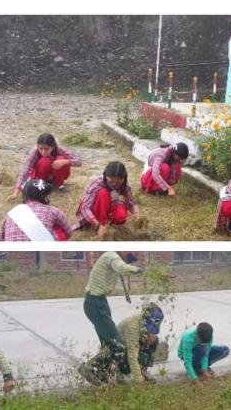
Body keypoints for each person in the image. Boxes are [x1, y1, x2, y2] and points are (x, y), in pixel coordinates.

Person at [81, 252, 145, 383]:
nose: (133, 256)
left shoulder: (114, 257)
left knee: (108, 343)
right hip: (95, 303)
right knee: (118, 345)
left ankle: (106, 373)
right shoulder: (112, 256)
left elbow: (121, 269)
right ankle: (90, 368)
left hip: (100, 302)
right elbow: (122, 268)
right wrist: (138, 270)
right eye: (131, 253)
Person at [7, 133, 82, 201]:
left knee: (61, 159)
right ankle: (41, 184)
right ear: (37, 146)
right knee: (44, 161)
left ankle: (58, 184)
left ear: (53, 146)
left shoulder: (59, 149)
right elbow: (26, 170)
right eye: (41, 148)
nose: (43, 151)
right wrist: (16, 192)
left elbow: (79, 162)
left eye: (47, 149)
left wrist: (64, 162)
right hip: (40, 174)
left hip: (56, 174)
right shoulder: (34, 151)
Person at [75, 162, 141, 239]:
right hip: (95, 209)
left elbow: (131, 202)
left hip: (109, 205)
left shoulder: (124, 184)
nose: (114, 185)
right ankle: (102, 225)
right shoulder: (97, 183)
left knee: (121, 216)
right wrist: (97, 224)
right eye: (111, 182)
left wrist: (137, 214)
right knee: (104, 193)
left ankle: (106, 222)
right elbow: (85, 208)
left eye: (118, 182)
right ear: (105, 176)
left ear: (124, 178)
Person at [0, 179, 72, 241]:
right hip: (42, 256)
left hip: (13, 256)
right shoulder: (53, 211)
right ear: (46, 196)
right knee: (58, 228)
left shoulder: (11, 213)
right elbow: (68, 232)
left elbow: (0, 238)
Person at [116, 303, 165, 383]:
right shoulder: (133, 327)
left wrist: (149, 334)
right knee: (134, 357)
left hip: (132, 342)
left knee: (154, 340)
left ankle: (143, 370)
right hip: (121, 349)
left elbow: (147, 330)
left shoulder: (144, 320)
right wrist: (139, 381)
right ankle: (120, 373)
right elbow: (132, 356)